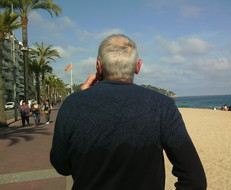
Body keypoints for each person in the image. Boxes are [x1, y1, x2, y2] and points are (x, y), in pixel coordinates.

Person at [50, 34, 207, 190]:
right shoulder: (162, 105)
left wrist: (81, 98)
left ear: (99, 66)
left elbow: (62, 166)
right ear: (138, 66)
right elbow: (195, 180)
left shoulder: (72, 104)